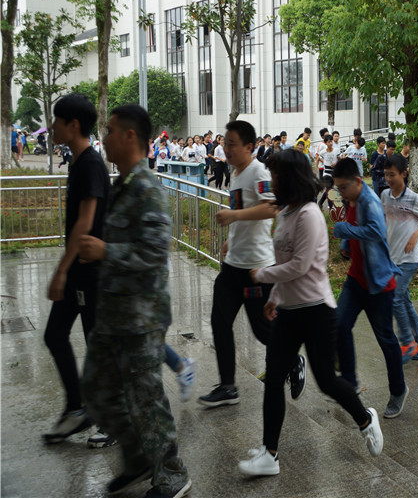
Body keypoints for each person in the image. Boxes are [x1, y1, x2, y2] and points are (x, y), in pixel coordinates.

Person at [239, 150, 383, 477]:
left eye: (276, 176)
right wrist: (275, 296)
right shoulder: (287, 212)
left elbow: (301, 266)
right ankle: (269, 454)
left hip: (317, 312)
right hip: (289, 313)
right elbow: (285, 262)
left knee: (327, 381)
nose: (271, 181)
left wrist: (262, 277)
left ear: (290, 178)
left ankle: (365, 419)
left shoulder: (308, 215)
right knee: (274, 379)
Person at [78, 104, 191, 498]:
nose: (103, 137)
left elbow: (155, 253)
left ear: (129, 136)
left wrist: (105, 251)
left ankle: (173, 473)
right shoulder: (120, 185)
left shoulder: (148, 189)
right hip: (113, 314)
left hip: (143, 317)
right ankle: (138, 458)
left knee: (146, 399)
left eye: (109, 130)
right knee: (96, 390)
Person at [199, 120, 305, 408]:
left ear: (249, 146)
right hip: (233, 266)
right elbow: (243, 211)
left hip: (255, 270)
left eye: (232, 143)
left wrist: (234, 218)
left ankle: (294, 360)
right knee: (219, 323)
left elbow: (272, 207)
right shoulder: (235, 173)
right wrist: (231, 239)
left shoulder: (258, 170)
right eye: (225, 142)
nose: (226, 147)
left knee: (262, 330)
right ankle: (228, 386)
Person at [42, 93, 114, 449]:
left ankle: (109, 419)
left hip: (89, 274)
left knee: (97, 347)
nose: (52, 126)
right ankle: (77, 407)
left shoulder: (90, 165)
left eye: (56, 120)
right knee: (56, 335)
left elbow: (84, 225)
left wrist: (60, 272)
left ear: (72, 125)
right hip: (79, 273)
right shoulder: (79, 162)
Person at [332, 158, 408, 418]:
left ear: (356, 181)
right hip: (356, 279)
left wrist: (343, 230)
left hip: (378, 284)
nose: (340, 192)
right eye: (337, 188)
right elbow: (355, 233)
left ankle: (398, 390)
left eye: (342, 188)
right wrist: (345, 246)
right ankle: (350, 382)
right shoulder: (350, 199)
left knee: (386, 340)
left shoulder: (370, 200)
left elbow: (375, 231)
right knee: (339, 325)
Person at [382, 155, 418, 362]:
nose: (388, 179)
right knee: (404, 300)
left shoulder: (413, 198)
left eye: (392, 175)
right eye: (386, 175)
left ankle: (407, 343)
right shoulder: (385, 195)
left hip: (410, 259)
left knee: (395, 297)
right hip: (392, 258)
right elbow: (385, 222)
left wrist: (416, 234)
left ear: (404, 174)